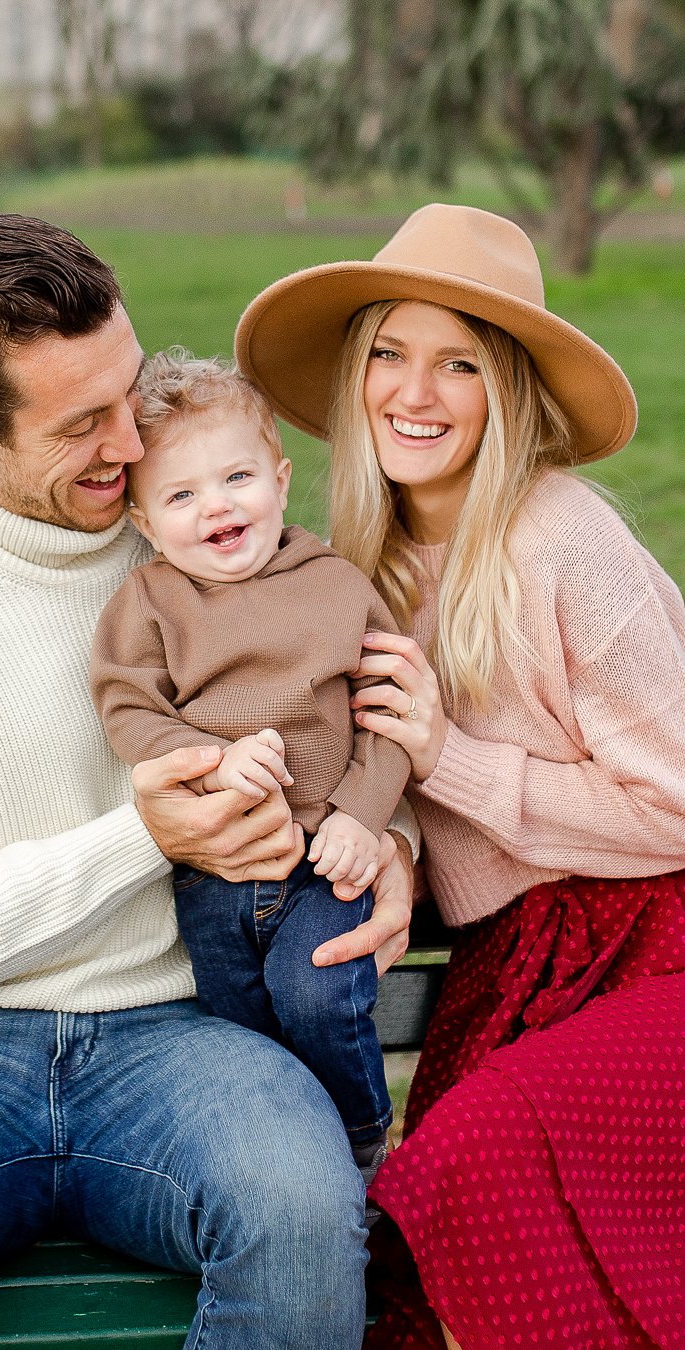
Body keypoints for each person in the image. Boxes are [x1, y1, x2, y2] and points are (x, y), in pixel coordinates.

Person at [0, 213, 416, 1350]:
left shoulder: (204, 529)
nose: (132, 446)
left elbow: (341, 716)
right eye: (81, 426)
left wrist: (391, 842)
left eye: (128, 394)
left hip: (182, 1034)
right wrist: (139, 836)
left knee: (307, 1221)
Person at [235, 202, 685, 1349]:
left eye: (458, 365)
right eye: (388, 353)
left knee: (470, 1164)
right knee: (407, 1251)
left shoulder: (561, 541)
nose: (413, 393)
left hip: (655, 952)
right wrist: (388, 841)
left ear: (508, 393)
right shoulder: (356, 566)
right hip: (518, 960)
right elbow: (408, 804)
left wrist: (453, 761)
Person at [90, 349, 412, 1185]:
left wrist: (360, 816)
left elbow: (387, 721)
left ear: (279, 475)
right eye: (182, 495)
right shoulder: (150, 603)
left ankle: (360, 1140)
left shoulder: (336, 585)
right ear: (144, 522)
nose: (217, 507)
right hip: (216, 870)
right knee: (241, 1032)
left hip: (323, 862)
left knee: (316, 990)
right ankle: (278, 1166)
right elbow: (129, 707)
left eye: (237, 476)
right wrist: (210, 763)